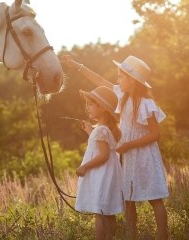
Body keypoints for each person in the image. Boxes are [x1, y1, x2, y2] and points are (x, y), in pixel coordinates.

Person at [62, 55, 169, 240]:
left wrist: (129, 144)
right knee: (128, 199)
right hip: (127, 156)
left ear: (132, 80)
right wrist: (76, 66)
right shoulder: (122, 96)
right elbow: (99, 80)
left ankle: (163, 237)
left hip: (144, 156)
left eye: (121, 76)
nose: (117, 80)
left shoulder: (146, 103)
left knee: (154, 198)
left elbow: (155, 134)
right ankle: (131, 235)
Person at [74, 86, 124, 240]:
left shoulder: (101, 130)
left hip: (103, 176)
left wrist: (84, 166)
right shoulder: (104, 129)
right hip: (107, 174)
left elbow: (103, 155)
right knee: (107, 212)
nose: (86, 107)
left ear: (102, 107)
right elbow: (101, 148)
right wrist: (90, 132)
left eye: (90, 104)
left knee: (100, 213)